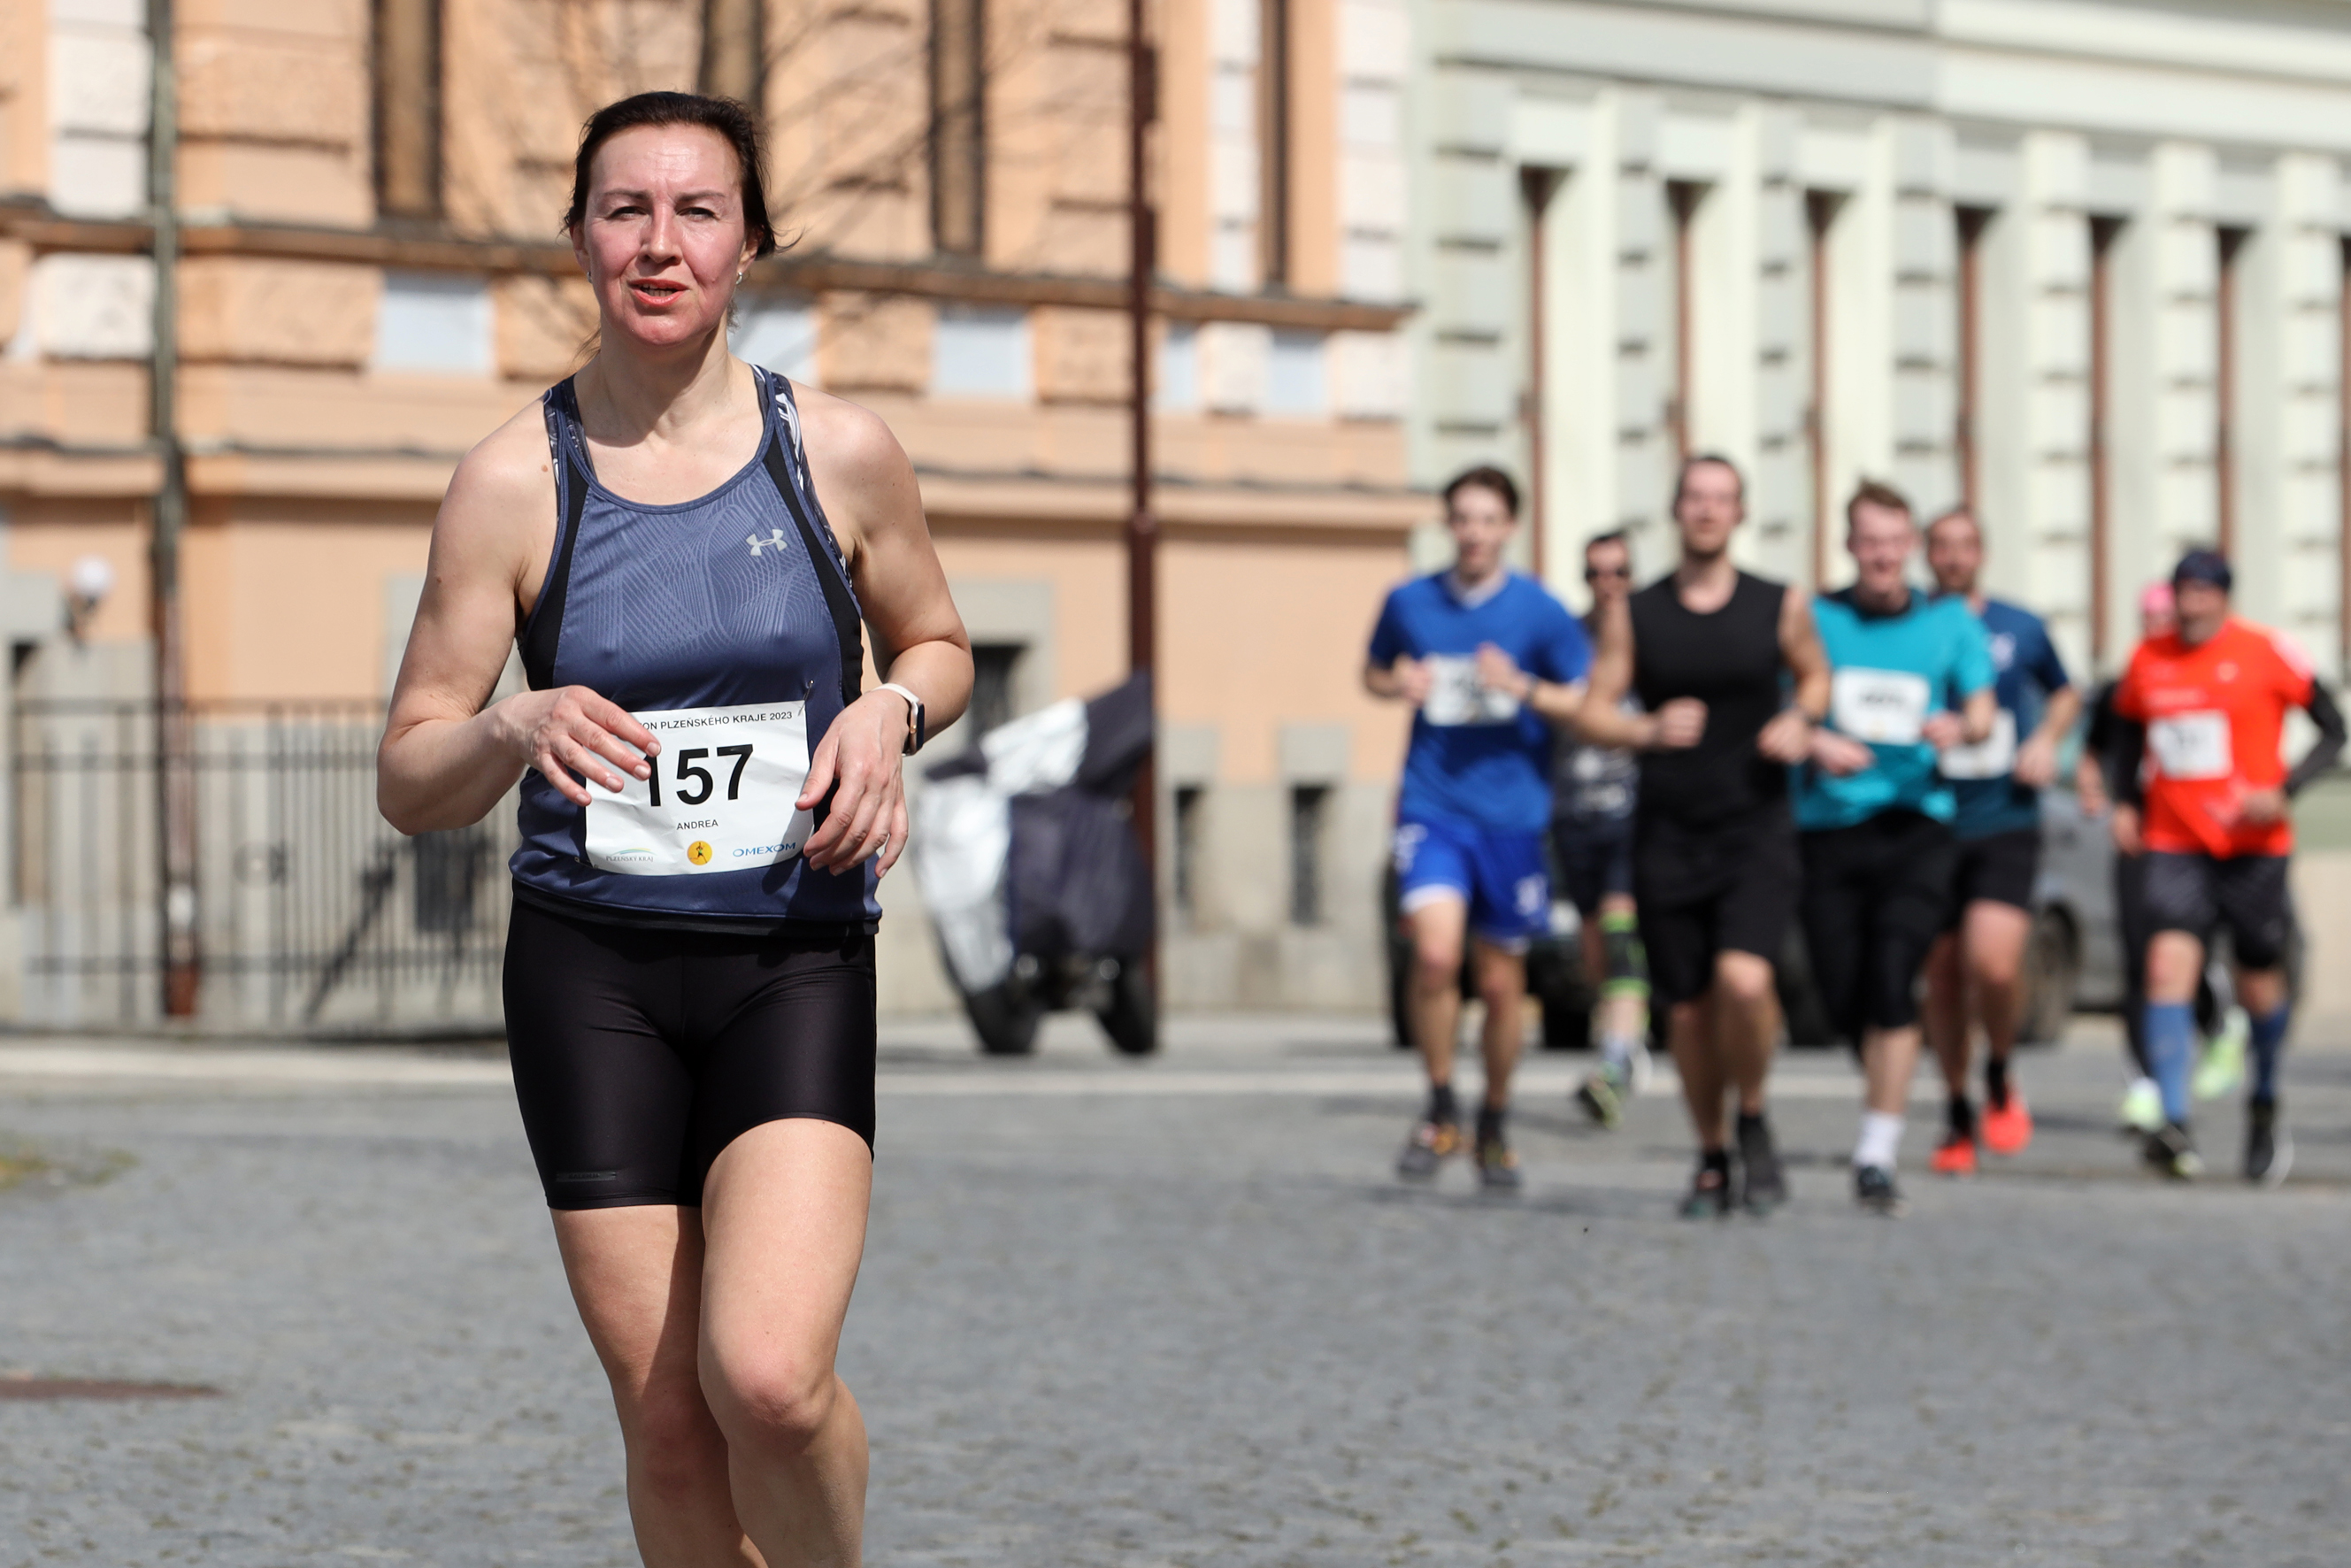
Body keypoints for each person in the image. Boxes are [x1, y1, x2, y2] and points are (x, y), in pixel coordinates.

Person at [376, 94, 973, 1564]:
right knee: (666, 1422)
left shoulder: (837, 451)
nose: (660, 244)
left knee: (765, 1380)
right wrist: (512, 727)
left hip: (791, 957)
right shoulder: (511, 482)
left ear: (747, 242)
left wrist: (888, 713)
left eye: (697, 211)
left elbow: (940, 643)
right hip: (593, 977)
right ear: (580, 238)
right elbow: (408, 772)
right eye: (624, 210)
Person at [1563, 454, 1829, 1217]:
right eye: (1695, 498)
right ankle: (1711, 1154)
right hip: (1667, 832)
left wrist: (1800, 718)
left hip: (1754, 826)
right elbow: (1592, 711)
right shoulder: (1637, 612)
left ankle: (1754, 1115)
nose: (1708, 511)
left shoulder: (1777, 603)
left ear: (1739, 514)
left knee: (1744, 983)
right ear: (1676, 511)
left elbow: (1815, 676)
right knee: (1685, 1011)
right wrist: (1644, 730)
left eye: (1721, 499)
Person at [1366, 466, 1591, 1190]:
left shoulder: (1540, 611)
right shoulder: (1408, 600)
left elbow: (1583, 700)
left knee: (1499, 984)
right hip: (1432, 806)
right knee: (1435, 957)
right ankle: (1439, 1106)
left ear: (1508, 528)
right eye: (1462, 518)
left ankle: (1493, 1117)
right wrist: (1397, 684)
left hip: (1513, 818)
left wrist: (1520, 686)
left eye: (1487, 520)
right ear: (1447, 525)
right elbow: (1372, 671)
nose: (1473, 533)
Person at [2105, 550, 2345, 1182]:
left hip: (2253, 846)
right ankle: (2174, 1120)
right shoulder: (2147, 659)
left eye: (2201, 593)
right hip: (2174, 839)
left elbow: (2333, 730)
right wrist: (2125, 801)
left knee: (2257, 982)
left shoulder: (2267, 652)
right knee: (2165, 966)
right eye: (2181, 592)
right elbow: (2126, 733)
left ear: (2223, 598)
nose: (2189, 606)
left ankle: (2264, 1100)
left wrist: (2284, 790)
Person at [1797, 481, 1995, 1217]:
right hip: (1828, 826)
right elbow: (1782, 702)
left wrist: (1961, 727)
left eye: (1893, 541)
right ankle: (1884, 1079)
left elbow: (1982, 707)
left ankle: (1875, 1154)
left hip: (1916, 825)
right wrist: (1813, 740)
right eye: (1868, 541)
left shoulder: (1947, 623)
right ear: (1849, 546)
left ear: (1910, 547)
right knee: (1840, 994)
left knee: (1892, 975)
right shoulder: (1815, 618)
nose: (1882, 555)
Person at [1919, 509, 2079, 1175]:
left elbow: (2065, 694)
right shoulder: (1911, 624)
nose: (1954, 558)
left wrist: (2046, 741)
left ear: (1981, 553)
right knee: (1941, 976)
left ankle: (2000, 1068)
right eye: (1942, 547)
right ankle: (1956, 1108)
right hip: (1929, 820)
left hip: (2004, 817)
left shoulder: (2020, 626)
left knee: (1994, 966)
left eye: (1965, 546)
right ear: (1927, 555)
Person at [1551, 530, 1651, 1127]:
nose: (1608, 584)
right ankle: (1623, 1037)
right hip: (1572, 810)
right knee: (1592, 946)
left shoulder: (1653, 639)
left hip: (1635, 809)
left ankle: (1614, 1063)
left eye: (1619, 572)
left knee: (1619, 927)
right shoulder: (1565, 640)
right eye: (1596, 573)